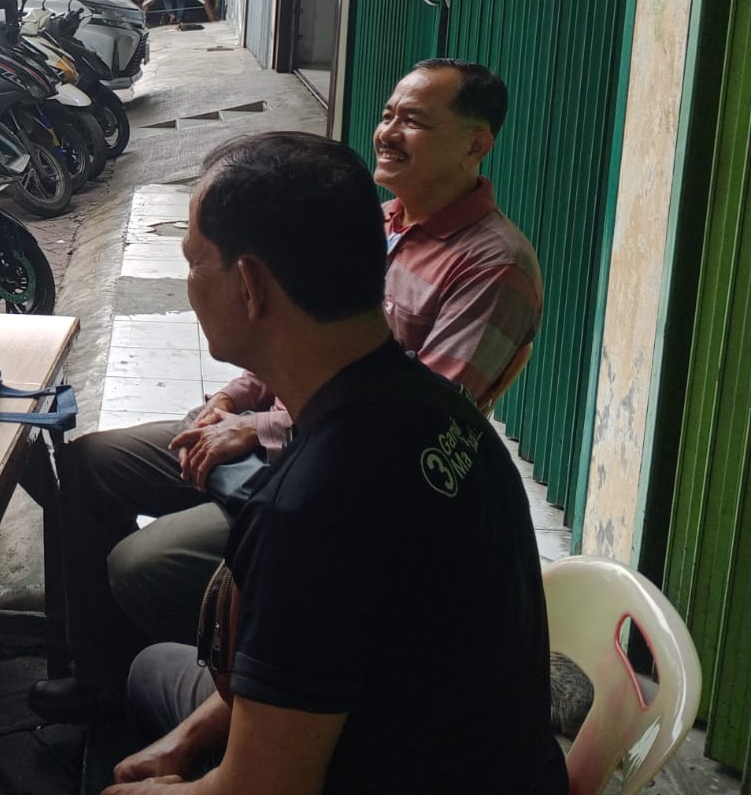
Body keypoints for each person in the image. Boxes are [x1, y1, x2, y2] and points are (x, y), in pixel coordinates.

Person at [32, 59, 542, 722]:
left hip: (334, 461)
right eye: (388, 114)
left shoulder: (493, 268)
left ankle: (193, 667)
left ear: (476, 144)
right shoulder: (377, 222)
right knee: (90, 463)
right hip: (290, 433)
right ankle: (105, 676)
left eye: (413, 121)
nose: (388, 132)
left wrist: (258, 430)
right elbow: (290, 331)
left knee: (144, 567)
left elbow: (419, 418)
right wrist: (233, 401)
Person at [103, 132, 565, 795]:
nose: (189, 284)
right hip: (489, 755)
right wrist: (186, 741)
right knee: (157, 670)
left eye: (194, 261)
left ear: (250, 285)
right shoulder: (440, 408)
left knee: (144, 689)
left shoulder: (308, 514)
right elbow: (319, 656)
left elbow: (262, 790)